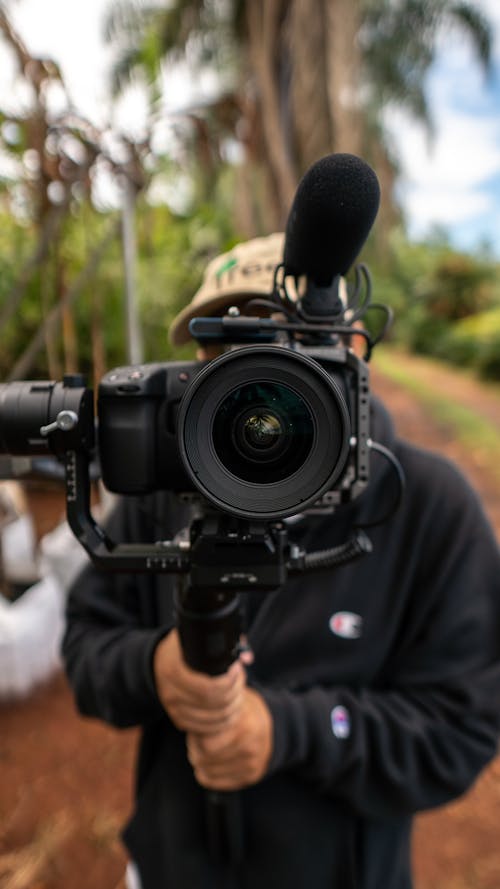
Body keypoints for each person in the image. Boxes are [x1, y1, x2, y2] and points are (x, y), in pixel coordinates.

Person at [62, 233, 500, 889]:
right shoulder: (163, 488)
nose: (254, 384)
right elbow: (85, 644)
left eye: (284, 344)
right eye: (226, 349)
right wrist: (157, 667)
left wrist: (299, 730)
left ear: (353, 351)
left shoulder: (430, 507)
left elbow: (460, 728)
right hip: (171, 865)